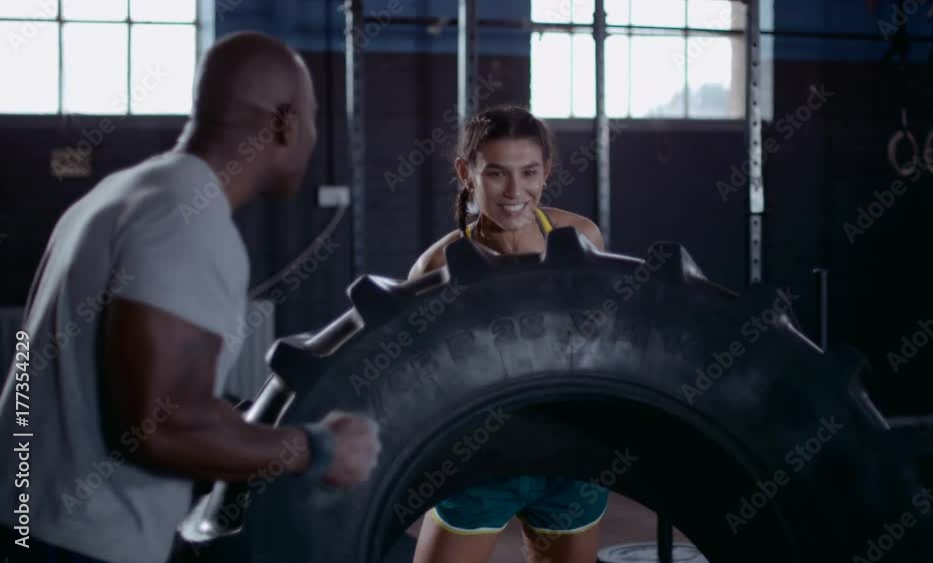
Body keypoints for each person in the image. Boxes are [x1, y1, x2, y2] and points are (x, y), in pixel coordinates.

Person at [0, 31, 380, 563]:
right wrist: (317, 449)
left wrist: (243, 423)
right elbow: (161, 427)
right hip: (75, 549)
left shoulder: (119, 193)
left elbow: (121, 386)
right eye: (313, 118)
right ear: (284, 122)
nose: (314, 136)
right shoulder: (189, 219)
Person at [407, 104, 607, 563]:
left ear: (546, 171)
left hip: (569, 456)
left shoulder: (582, 238)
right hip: (480, 459)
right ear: (466, 172)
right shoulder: (436, 267)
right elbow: (419, 378)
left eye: (529, 172)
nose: (515, 191)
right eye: (496, 174)